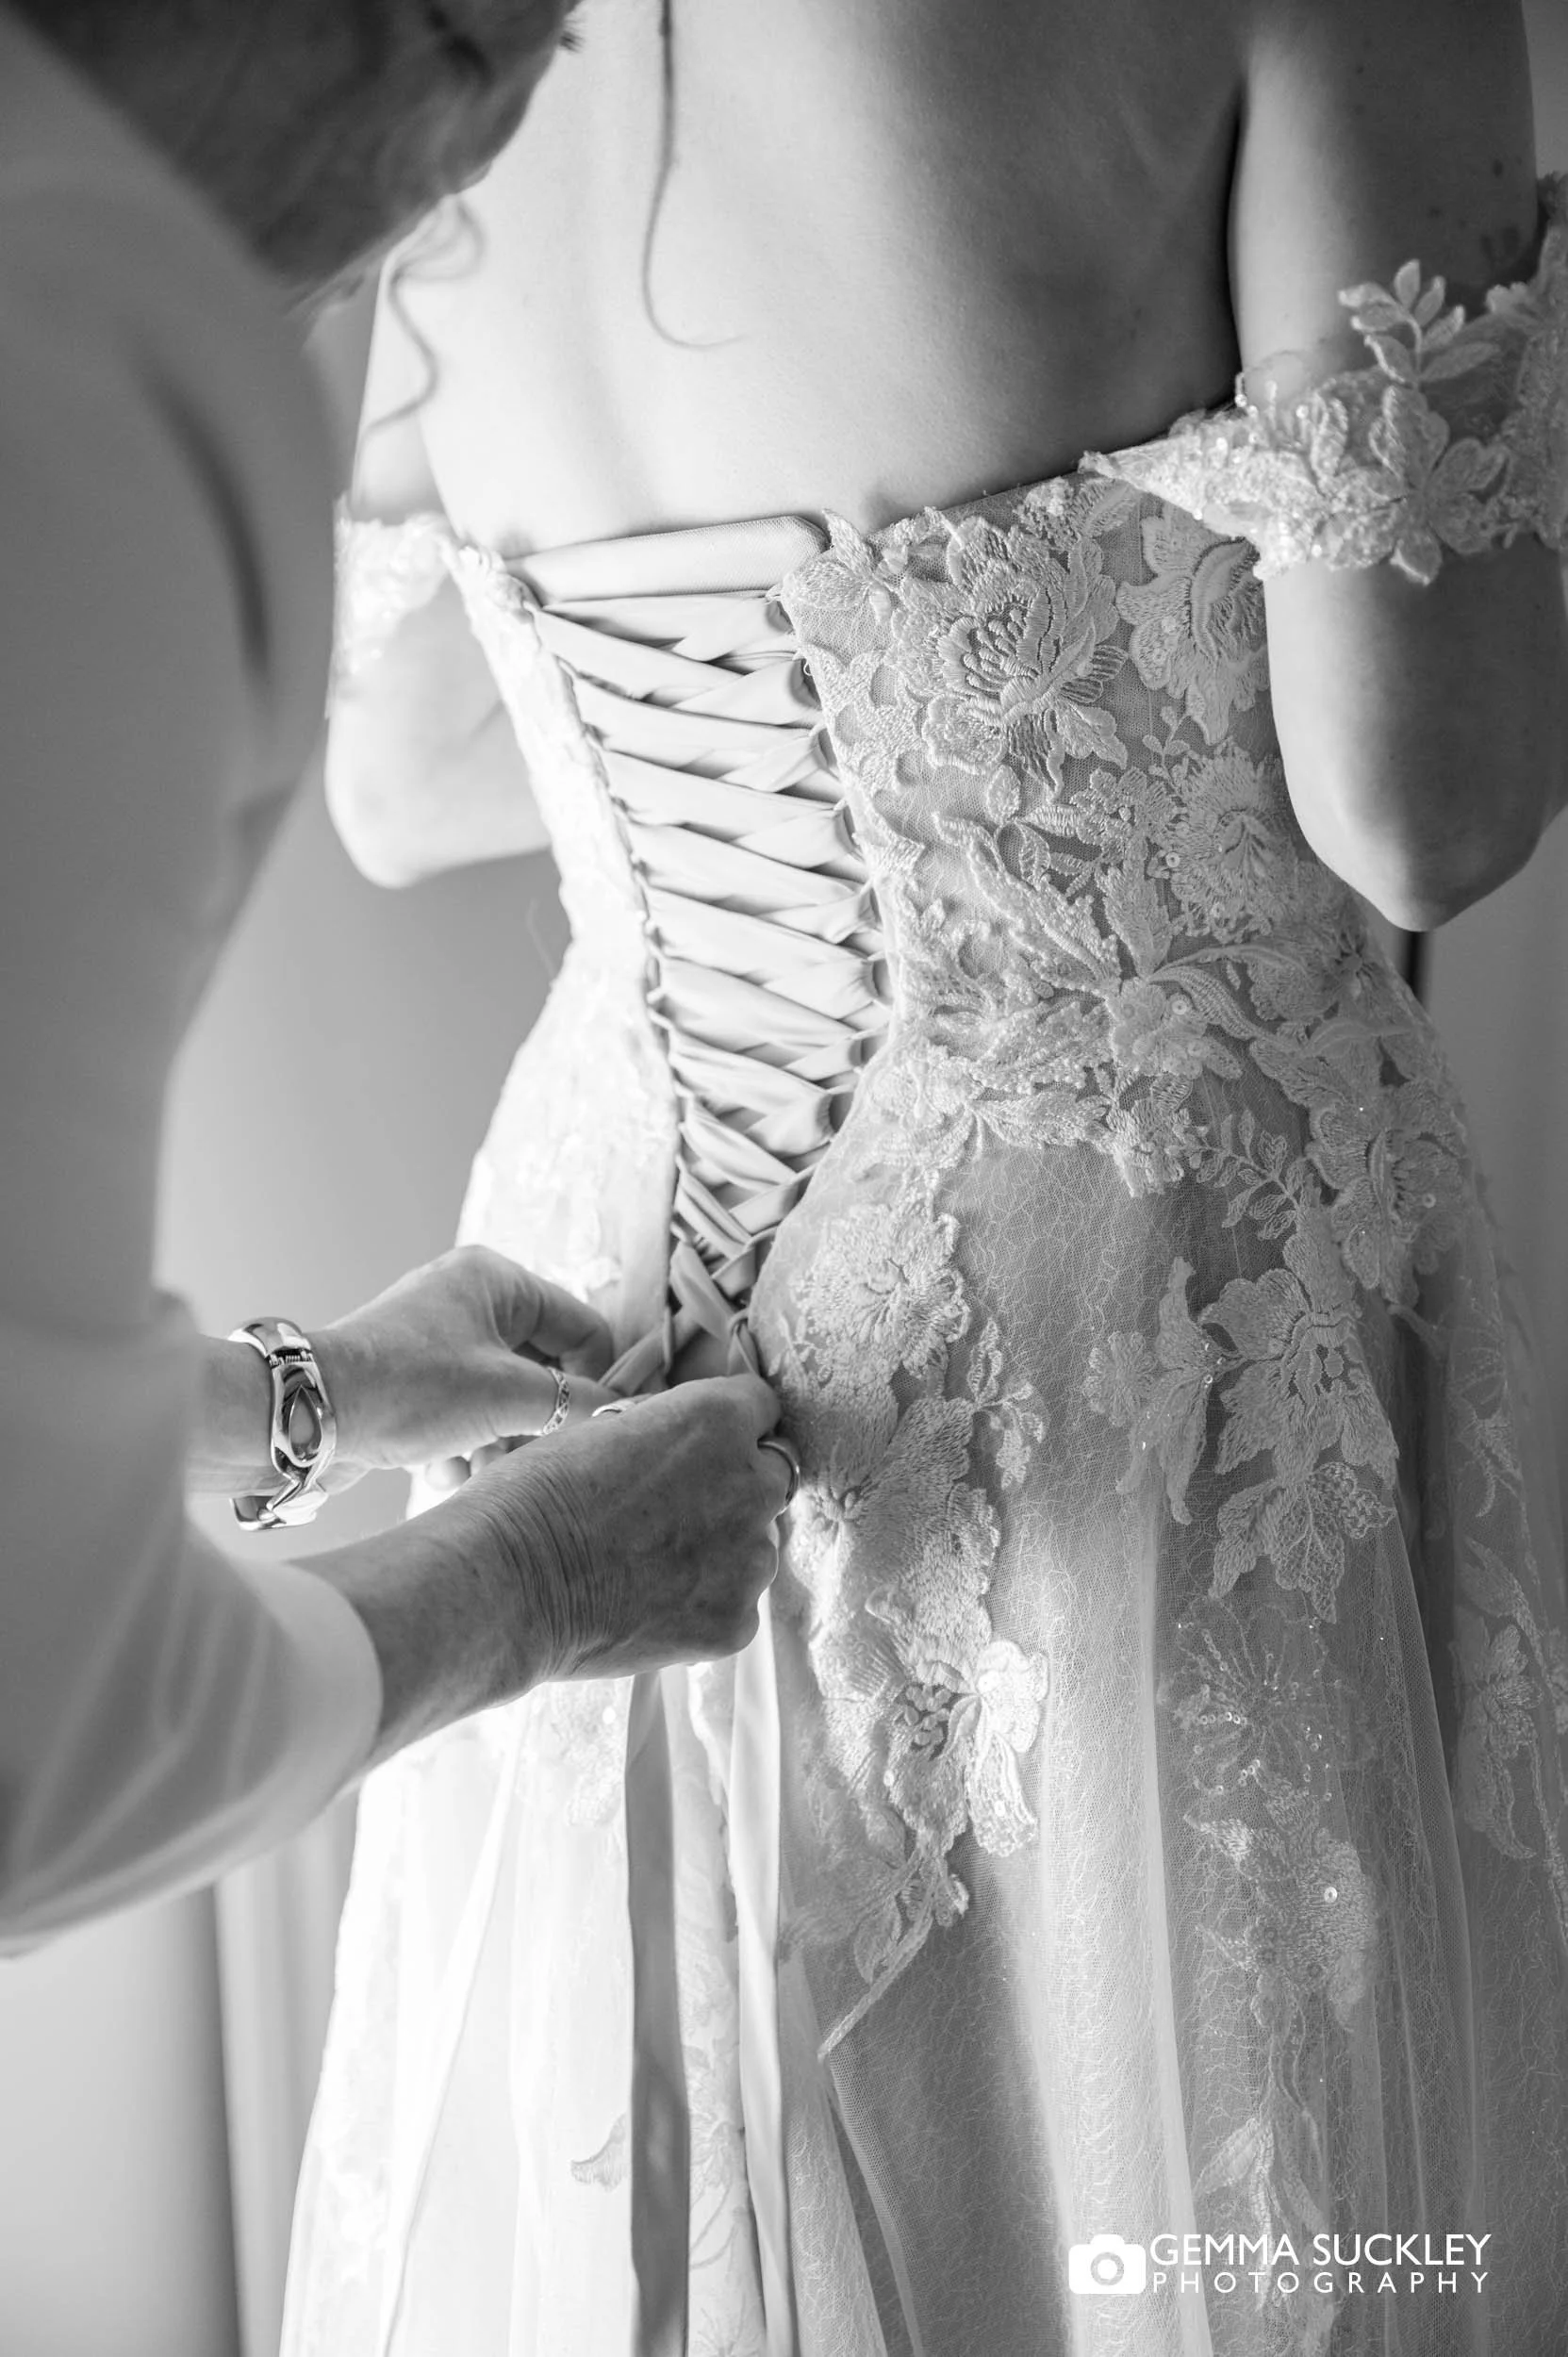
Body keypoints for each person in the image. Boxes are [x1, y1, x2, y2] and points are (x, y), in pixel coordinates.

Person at [282, 0, 1568, 2350]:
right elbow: (1419, 798)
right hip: (1123, 1291)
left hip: (592, 1305)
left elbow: (405, 776)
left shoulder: (430, 31)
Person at [0, 0, 795, 1956]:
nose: (464, 201)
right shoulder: (82, 350)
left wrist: (308, 1399)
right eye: (513, 49)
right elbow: (38, 1737)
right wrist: (524, 1581)